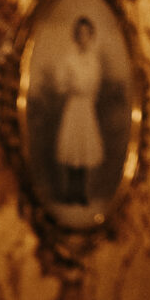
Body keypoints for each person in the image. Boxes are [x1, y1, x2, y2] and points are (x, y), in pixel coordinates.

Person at [53, 12, 104, 206]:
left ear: (91, 36)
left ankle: (81, 193)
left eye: (87, 34)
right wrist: (72, 87)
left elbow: (95, 86)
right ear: (76, 36)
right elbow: (60, 84)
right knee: (72, 149)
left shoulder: (94, 62)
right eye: (80, 34)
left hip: (86, 108)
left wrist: (86, 92)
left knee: (84, 150)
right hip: (73, 106)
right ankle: (69, 192)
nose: (83, 37)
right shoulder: (69, 60)